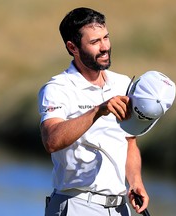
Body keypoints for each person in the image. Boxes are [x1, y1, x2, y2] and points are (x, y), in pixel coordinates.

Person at [38, 7, 149, 216]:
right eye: (94, 42)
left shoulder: (123, 83)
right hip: (76, 205)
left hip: (119, 208)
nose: (105, 46)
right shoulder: (57, 88)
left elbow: (129, 141)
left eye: (105, 37)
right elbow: (51, 140)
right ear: (73, 47)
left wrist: (135, 181)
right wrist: (99, 110)